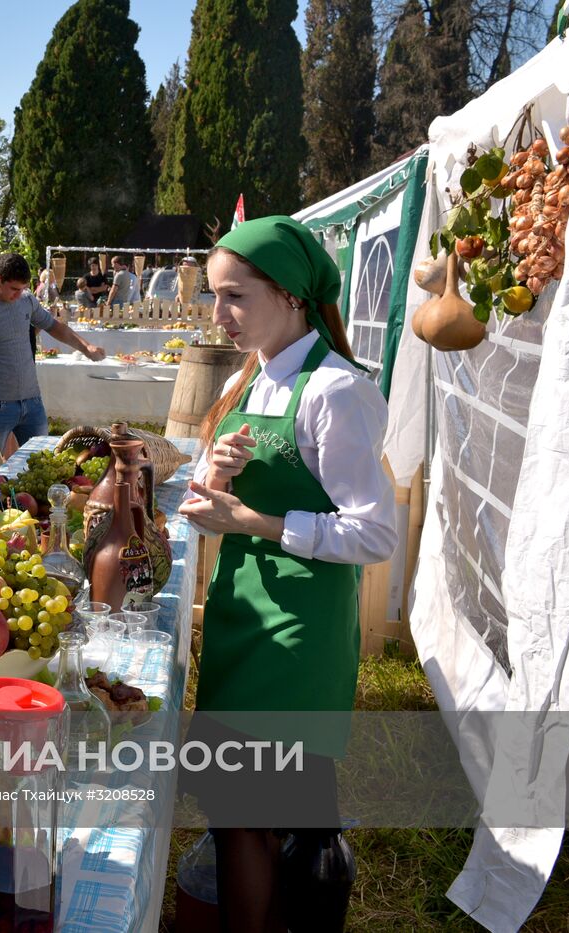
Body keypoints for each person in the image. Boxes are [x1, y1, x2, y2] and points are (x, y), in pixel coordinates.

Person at [177, 216, 396, 933]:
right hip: (243, 617)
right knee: (239, 813)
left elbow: (374, 530)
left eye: (234, 297)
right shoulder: (257, 378)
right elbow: (218, 499)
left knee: (247, 818)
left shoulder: (337, 391)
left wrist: (256, 523)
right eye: (214, 296)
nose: (219, 316)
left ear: (292, 296)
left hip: (294, 638)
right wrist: (217, 475)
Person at [0, 252, 106, 456]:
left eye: (23, 289)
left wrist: (86, 347)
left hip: (32, 403)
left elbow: (54, 327)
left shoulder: (27, 300)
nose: (19, 295)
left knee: (40, 463)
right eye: (14, 289)